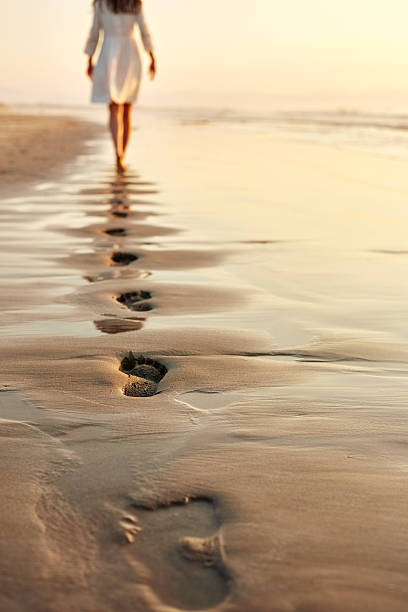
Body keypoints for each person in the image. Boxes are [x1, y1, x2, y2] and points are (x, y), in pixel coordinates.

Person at [84, 0, 156, 172]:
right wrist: (152, 56)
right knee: (126, 108)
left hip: (109, 51)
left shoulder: (102, 4)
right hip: (130, 52)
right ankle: (122, 154)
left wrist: (89, 58)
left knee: (115, 107)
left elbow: (95, 31)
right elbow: (144, 29)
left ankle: (118, 153)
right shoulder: (134, 3)